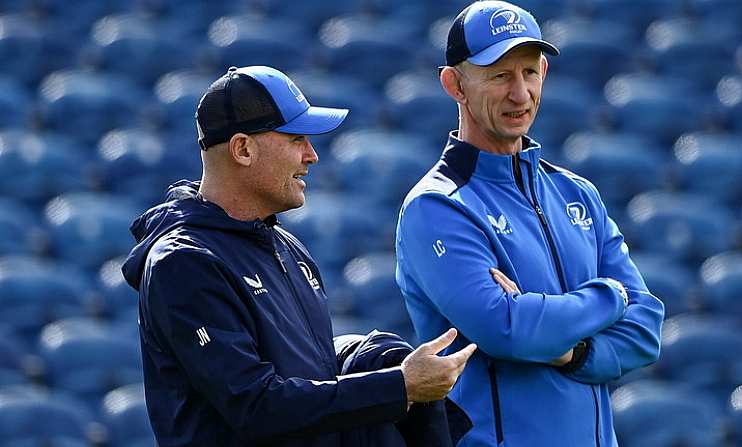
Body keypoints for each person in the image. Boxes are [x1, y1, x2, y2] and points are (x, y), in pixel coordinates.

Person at [121, 65, 476, 447]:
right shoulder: (183, 263)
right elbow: (255, 406)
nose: (312, 155)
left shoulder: (290, 249)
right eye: (296, 138)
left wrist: (374, 363)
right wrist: (399, 386)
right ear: (243, 149)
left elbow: (308, 381)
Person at [394, 2, 665, 446]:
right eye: (500, 75)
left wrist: (570, 352)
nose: (519, 94)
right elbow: (509, 330)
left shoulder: (578, 194)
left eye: (528, 73)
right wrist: (611, 295)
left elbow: (646, 327)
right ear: (454, 84)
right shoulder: (436, 207)